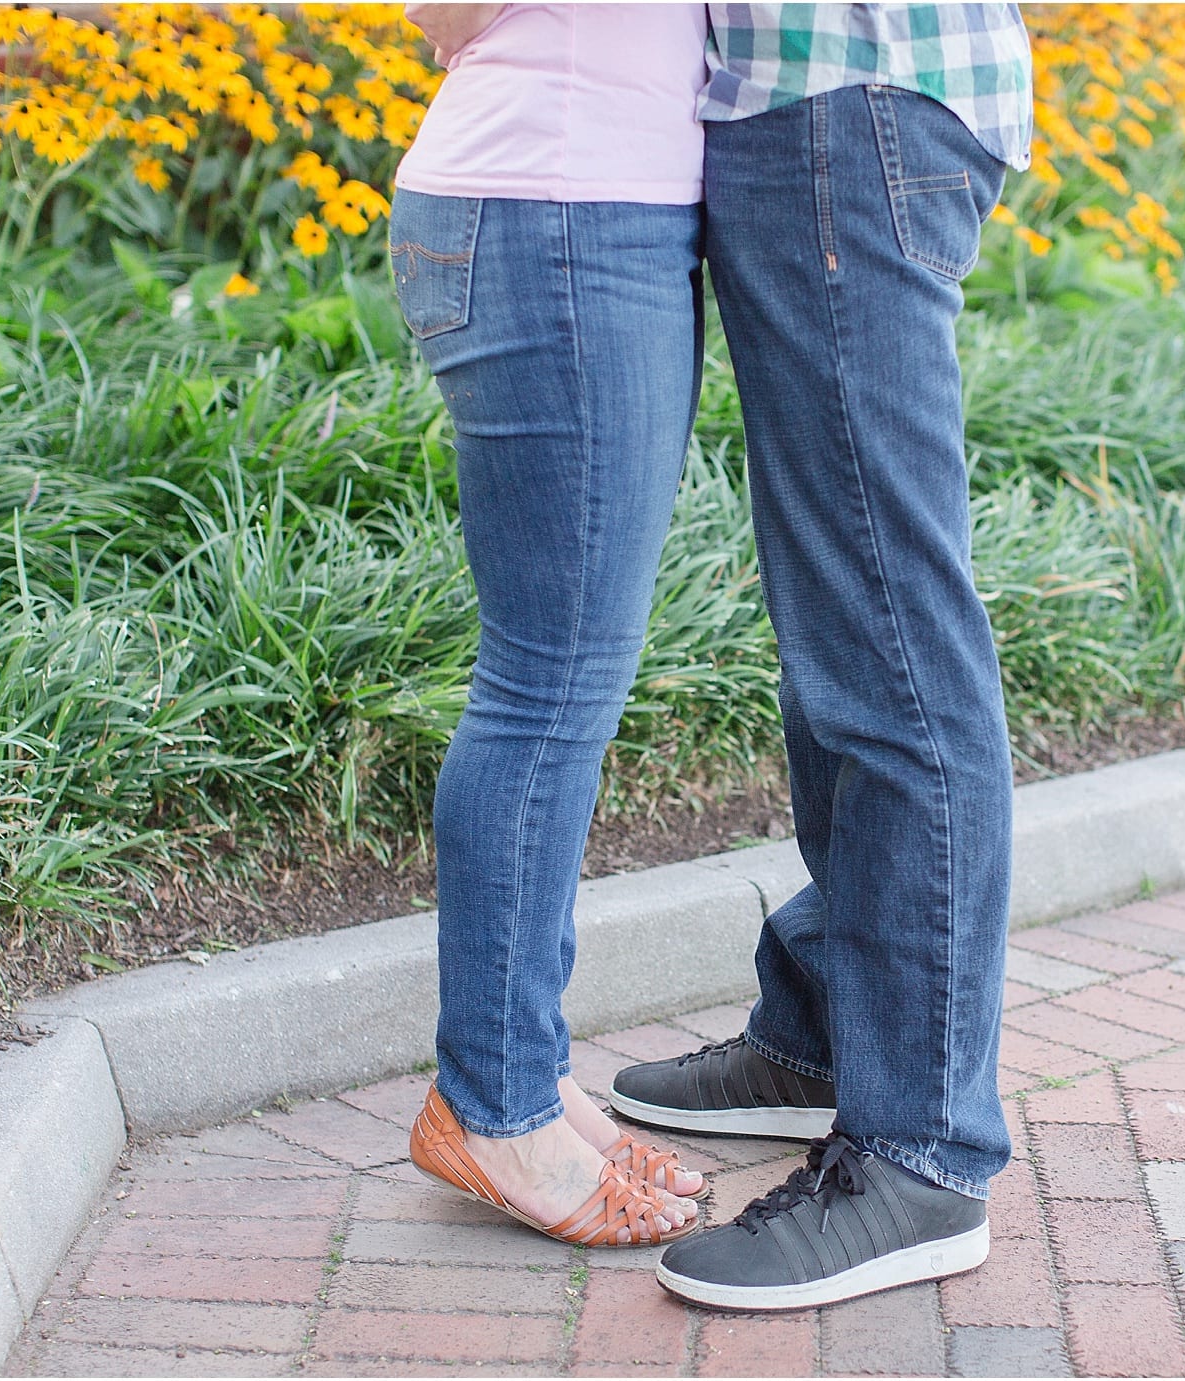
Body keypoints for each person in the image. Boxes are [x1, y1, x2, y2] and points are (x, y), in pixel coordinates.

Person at [608, 2, 1033, 1309]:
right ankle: (830, 1035)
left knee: (891, 635)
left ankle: (918, 1152)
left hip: (848, 94)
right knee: (846, 631)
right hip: (823, 101)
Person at [390, 1, 712, 1248]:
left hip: (560, 205)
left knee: (559, 679)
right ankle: (494, 1106)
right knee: (547, 685)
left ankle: (520, 1072)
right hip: (563, 215)